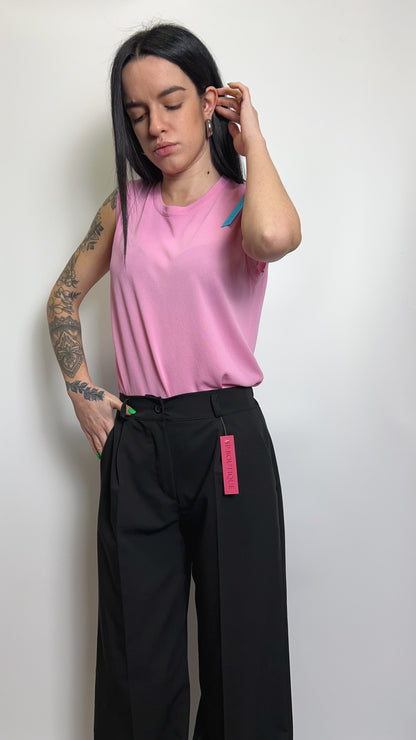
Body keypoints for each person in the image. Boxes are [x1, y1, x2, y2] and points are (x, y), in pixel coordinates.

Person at [47, 22, 301, 740]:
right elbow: (62, 297)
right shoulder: (123, 209)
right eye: (137, 113)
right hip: (137, 441)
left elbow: (276, 238)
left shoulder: (243, 203)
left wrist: (251, 140)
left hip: (226, 439)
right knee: (138, 662)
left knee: (243, 655)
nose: (155, 126)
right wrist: (82, 390)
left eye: (171, 102)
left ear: (208, 101)